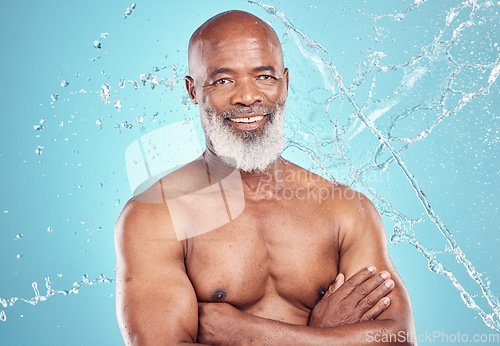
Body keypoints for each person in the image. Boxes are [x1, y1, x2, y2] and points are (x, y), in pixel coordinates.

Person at [115, 10, 416, 345]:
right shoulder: (157, 216)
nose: (247, 97)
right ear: (192, 90)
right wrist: (324, 337)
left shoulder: (343, 211)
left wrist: (246, 333)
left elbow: (399, 339)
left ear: (285, 84)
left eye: (264, 77)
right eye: (223, 80)